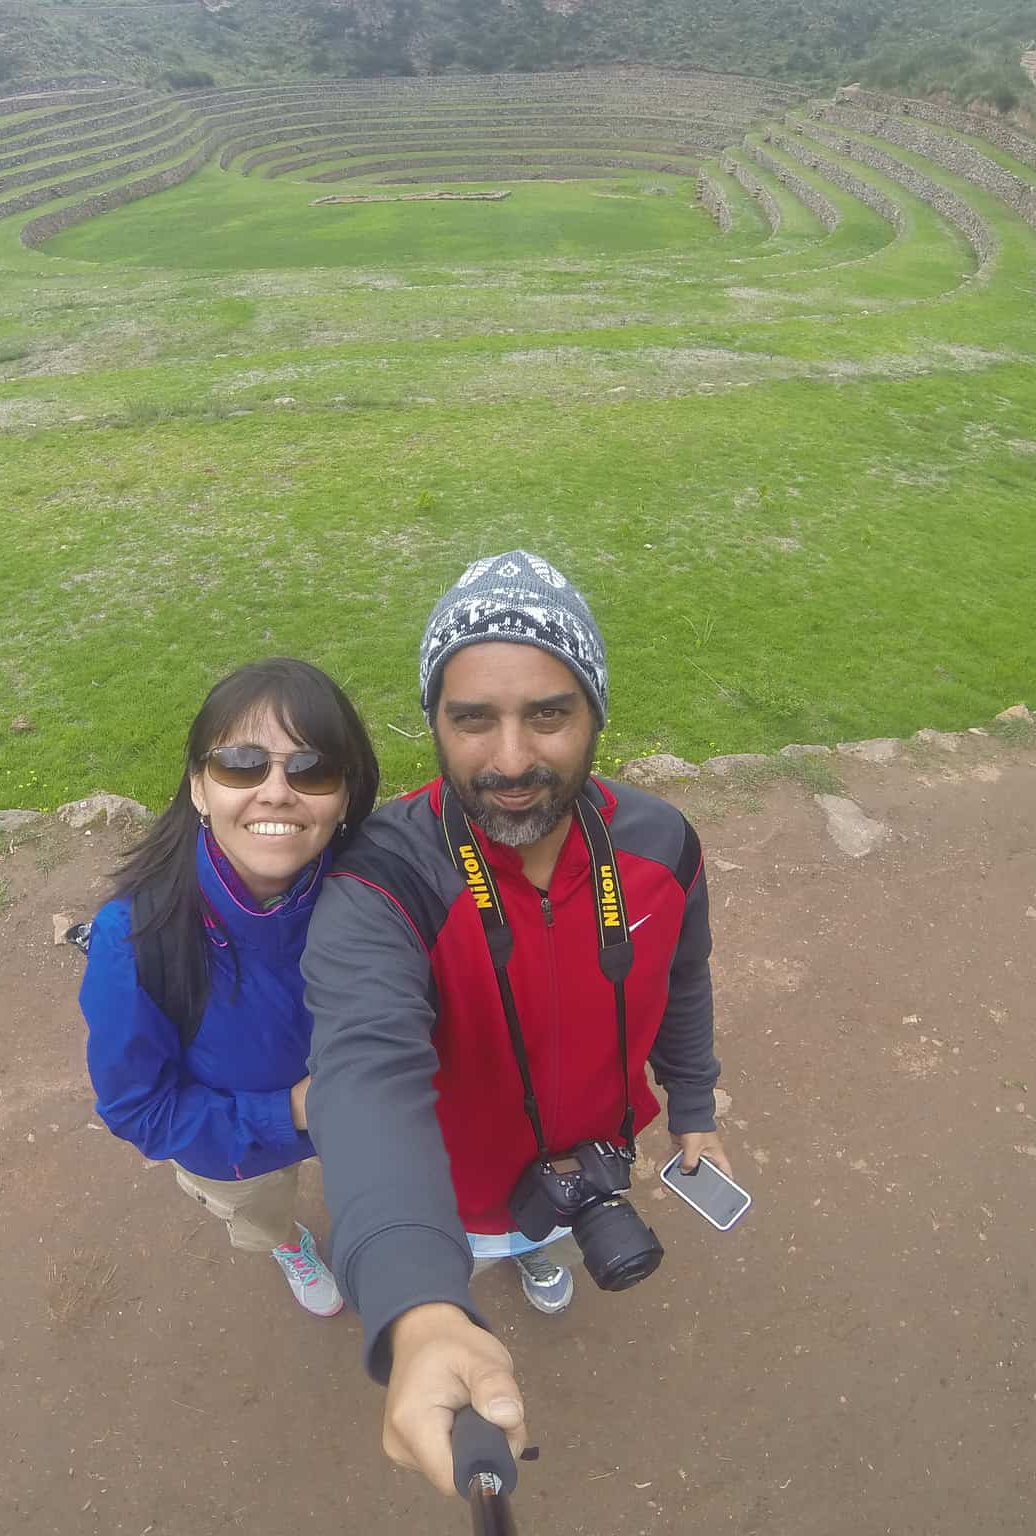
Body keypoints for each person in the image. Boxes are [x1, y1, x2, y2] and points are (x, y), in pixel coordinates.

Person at [303, 551, 729, 1492]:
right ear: (434, 725)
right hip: (447, 1192)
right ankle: (507, 1259)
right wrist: (417, 1303)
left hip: (595, 1154)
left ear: (595, 717)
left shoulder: (661, 843)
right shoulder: (384, 878)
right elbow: (363, 1073)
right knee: (488, 1242)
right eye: (472, 719)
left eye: (548, 713)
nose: (511, 760)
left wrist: (692, 1104)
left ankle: (542, 1253)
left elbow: (684, 979)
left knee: (540, 1237)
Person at [80, 657, 380, 1316]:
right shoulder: (135, 940)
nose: (276, 791)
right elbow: (138, 1109)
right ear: (198, 789)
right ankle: (286, 1242)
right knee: (263, 1210)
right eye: (242, 764)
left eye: (312, 769)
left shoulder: (380, 892)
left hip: (366, 1112)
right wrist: (292, 1112)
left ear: (346, 796)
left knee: (374, 1189)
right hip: (240, 1148)